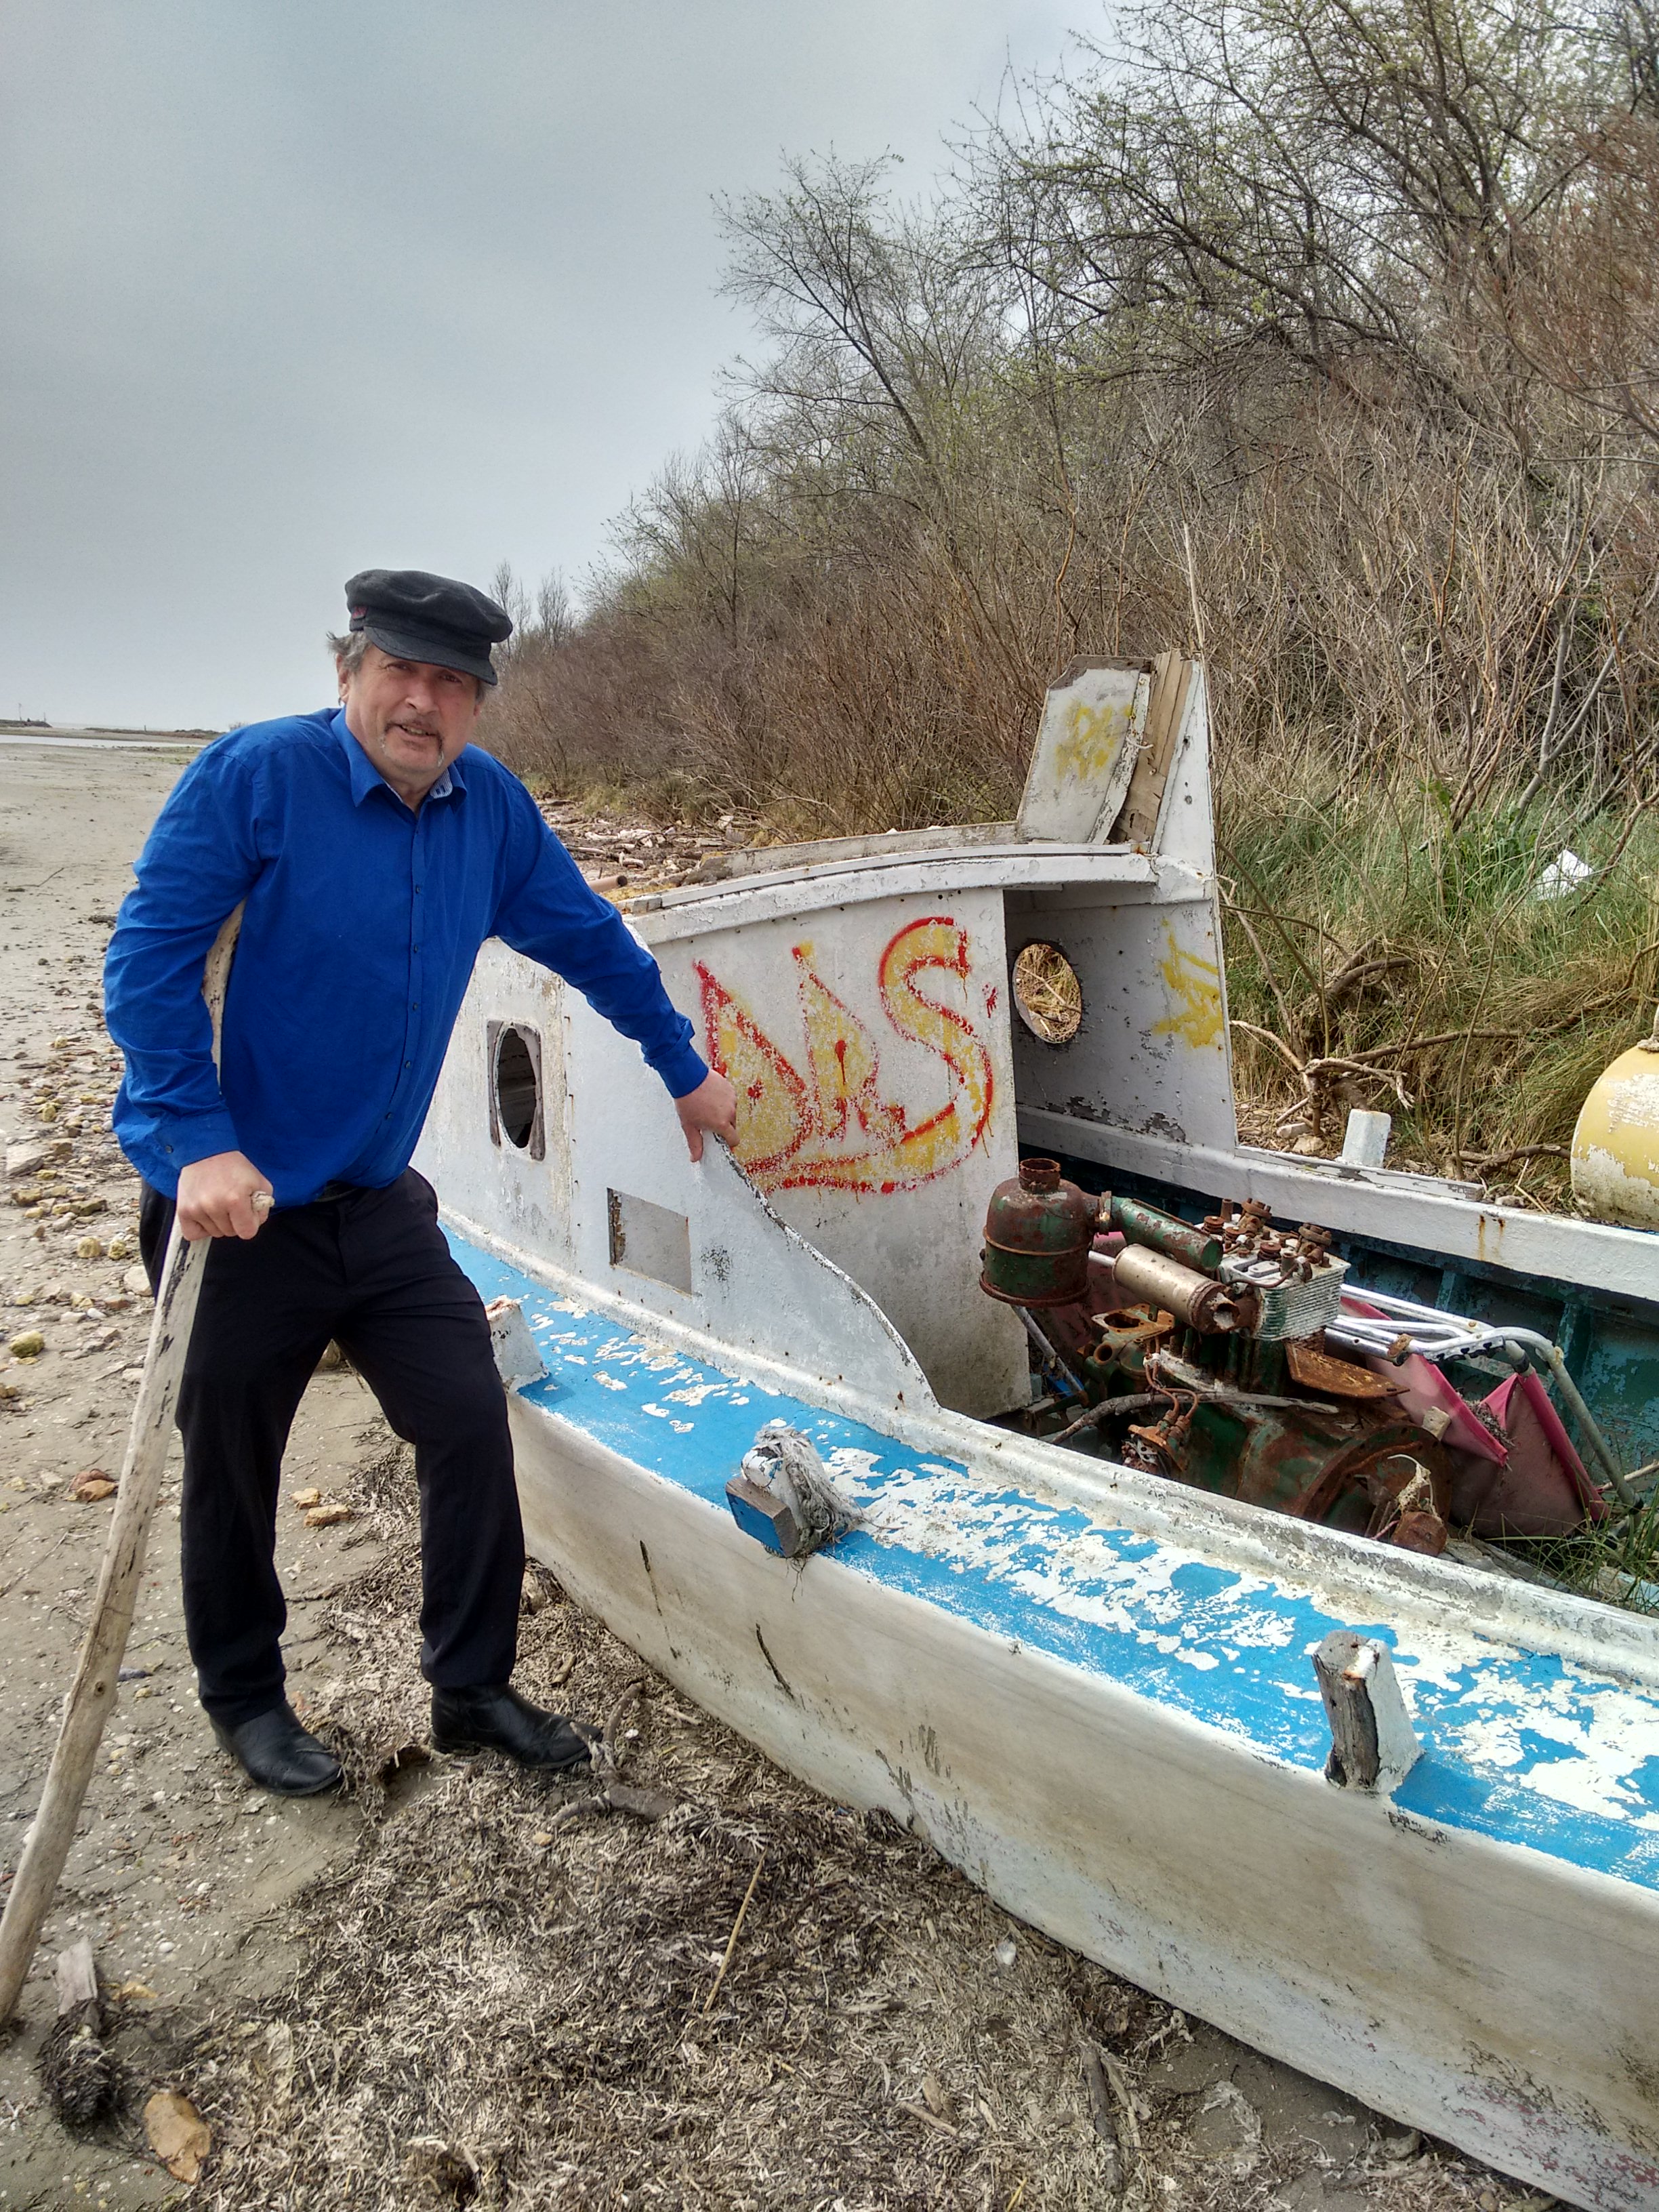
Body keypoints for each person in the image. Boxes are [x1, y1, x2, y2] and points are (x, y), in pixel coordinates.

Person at [103, 569, 738, 1797]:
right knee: (232, 1460)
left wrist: (681, 1068)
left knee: (463, 1415)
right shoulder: (256, 778)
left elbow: (592, 939)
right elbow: (147, 961)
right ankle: (244, 1697)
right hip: (237, 1212)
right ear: (350, 672)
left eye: (454, 683)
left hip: (381, 1207)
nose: (423, 701)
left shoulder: (488, 813)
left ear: (481, 705)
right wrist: (195, 1136)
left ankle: (471, 1686)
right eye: (401, 670)